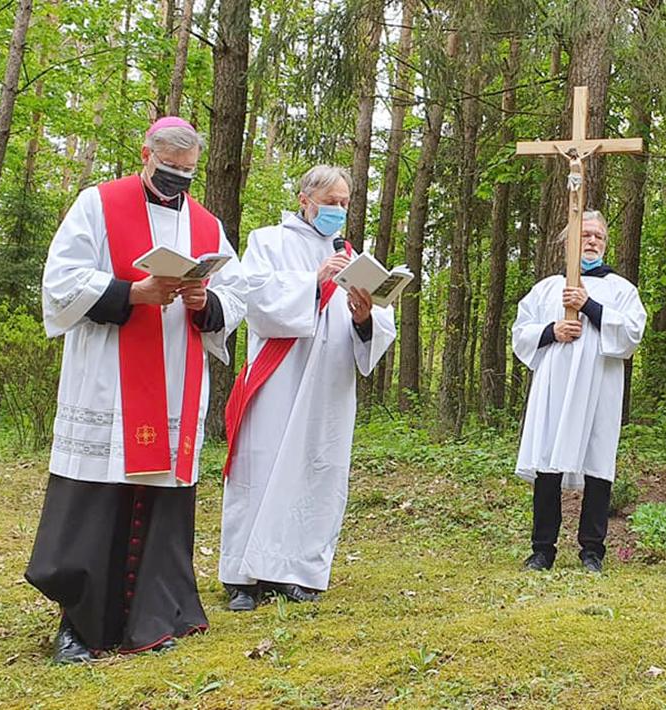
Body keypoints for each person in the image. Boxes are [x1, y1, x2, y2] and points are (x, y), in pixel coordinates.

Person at [25, 117, 248, 664]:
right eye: (168, 169)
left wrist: (206, 304)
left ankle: (155, 616)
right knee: (98, 497)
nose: (177, 180)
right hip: (109, 379)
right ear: (145, 153)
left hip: (175, 379)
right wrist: (134, 291)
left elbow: (235, 291)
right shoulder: (98, 205)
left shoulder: (205, 224)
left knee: (164, 500)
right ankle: (80, 625)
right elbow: (60, 280)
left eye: (186, 173)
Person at [217, 165, 396, 611]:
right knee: (261, 467)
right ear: (305, 199)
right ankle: (243, 577)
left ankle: (297, 571)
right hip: (279, 374)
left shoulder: (353, 255)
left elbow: (378, 324)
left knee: (317, 471)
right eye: (330, 202)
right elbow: (253, 297)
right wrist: (314, 283)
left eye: (344, 203)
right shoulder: (268, 241)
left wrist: (362, 314)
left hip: (328, 382)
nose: (337, 210)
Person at [511, 211, 647, 573]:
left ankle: (592, 551)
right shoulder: (546, 288)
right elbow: (521, 332)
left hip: (599, 385)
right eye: (584, 235)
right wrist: (551, 331)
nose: (591, 241)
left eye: (598, 237)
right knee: (548, 460)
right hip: (555, 384)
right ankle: (542, 549)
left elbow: (632, 334)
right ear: (569, 241)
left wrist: (589, 305)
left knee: (597, 464)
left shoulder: (621, 289)